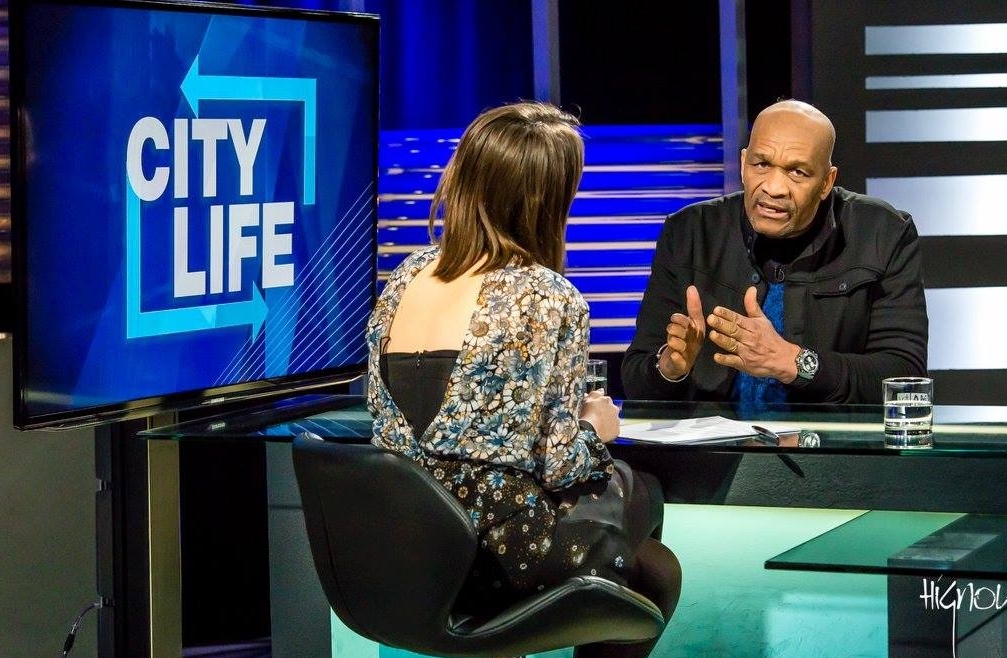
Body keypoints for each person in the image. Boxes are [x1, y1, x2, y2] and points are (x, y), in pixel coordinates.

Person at [365, 101, 680, 658]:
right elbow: (558, 463)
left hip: (403, 550)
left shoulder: (403, 279)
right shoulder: (546, 296)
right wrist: (594, 427)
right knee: (643, 504)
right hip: (494, 554)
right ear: (547, 200)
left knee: (652, 569)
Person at [622, 99, 928, 405]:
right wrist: (669, 368)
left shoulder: (883, 233)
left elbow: (904, 377)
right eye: (762, 164)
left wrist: (794, 362)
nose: (774, 187)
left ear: (827, 182)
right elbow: (636, 377)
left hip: (826, 448)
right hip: (714, 449)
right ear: (743, 164)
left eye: (797, 172)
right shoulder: (689, 231)